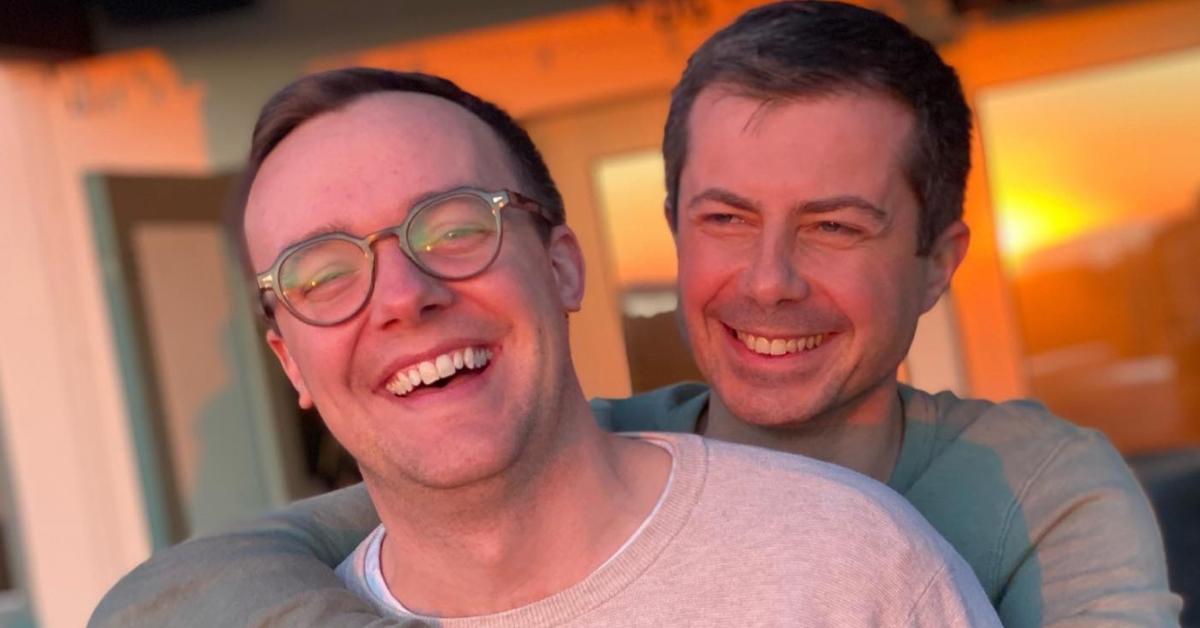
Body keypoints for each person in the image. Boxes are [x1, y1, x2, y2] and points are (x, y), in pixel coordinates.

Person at [91, 2, 1180, 627]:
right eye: (723, 216)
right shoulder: (567, 436)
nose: (769, 281)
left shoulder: (1017, 499)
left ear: (938, 261)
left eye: (836, 227)